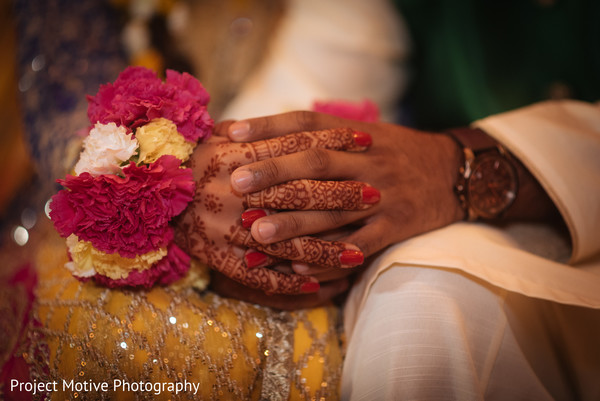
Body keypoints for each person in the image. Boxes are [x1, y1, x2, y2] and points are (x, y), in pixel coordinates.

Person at [174, 0, 600, 399]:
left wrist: (455, 166)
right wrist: (246, 191)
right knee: (423, 298)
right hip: (477, 227)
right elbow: (325, 66)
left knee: (434, 296)